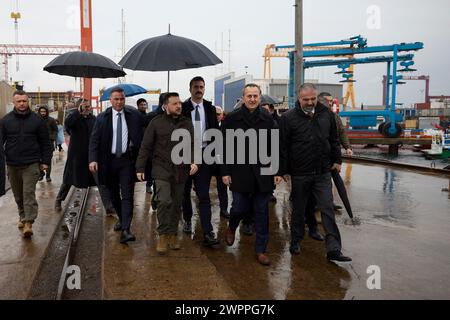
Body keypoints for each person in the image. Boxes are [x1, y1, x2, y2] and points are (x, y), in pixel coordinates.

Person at [276, 83, 352, 262]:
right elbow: (282, 147)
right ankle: (296, 240)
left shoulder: (327, 114)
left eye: (312, 99)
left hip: (322, 172)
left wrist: (337, 160)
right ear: (299, 99)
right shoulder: (288, 118)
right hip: (300, 172)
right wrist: (281, 171)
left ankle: (334, 249)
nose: (310, 102)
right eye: (306, 99)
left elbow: (333, 139)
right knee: (299, 209)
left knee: (327, 208)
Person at [222, 84, 278, 266]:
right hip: (239, 173)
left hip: (263, 174)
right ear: (243, 98)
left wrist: (277, 170)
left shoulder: (268, 119)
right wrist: (225, 172)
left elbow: (276, 147)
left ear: (260, 98)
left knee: (261, 212)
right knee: (239, 207)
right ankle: (232, 227)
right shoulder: (232, 119)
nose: (252, 99)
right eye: (249, 96)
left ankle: (261, 249)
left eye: (255, 96)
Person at [136, 92, 198, 254]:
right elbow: (146, 146)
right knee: (164, 201)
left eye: (179, 103)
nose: (179, 106)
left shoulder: (187, 123)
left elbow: (192, 144)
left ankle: (172, 234)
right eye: (174, 103)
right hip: (161, 168)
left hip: (181, 169)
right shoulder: (156, 123)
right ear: (165, 106)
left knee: (177, 204)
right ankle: (162, 235)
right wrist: (140, 167)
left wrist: (195, 161)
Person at [89, 87, 143, 244]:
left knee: (127, 195)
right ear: (110, 100)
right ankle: (122, 218)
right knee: (113, 195)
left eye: (122, 99)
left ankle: (126, 229)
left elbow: (148, 119)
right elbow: (94, 140)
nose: (119, 102)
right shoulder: (102, 118)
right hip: (108, 162)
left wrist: (163, 106)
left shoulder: (133, 115)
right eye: (116, 99)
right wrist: (93, 159)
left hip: (127, 161)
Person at [1, 90, 53, 238]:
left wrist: (45, 162)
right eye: (19, 101)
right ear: (14, 102)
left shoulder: (37, 121)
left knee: (28, 193)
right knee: (18, 195)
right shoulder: (6, 121)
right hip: (12, 164)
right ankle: (22, 216)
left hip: (31, 164)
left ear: (27, 101)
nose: (22, 104)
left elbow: (45, 143)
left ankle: (28, 223)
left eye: (24, 101)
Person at [181, 76, 220, 247]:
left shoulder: (210, 108)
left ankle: (207, 231)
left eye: (201, 87)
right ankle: (188, 220)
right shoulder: (182, 108)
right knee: (184, 192)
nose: (199, 89)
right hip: (184, 155)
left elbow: (215, 132)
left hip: (204, 154)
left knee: (203, 195)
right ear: (190, 89)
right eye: (196, 86)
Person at [55, 98, 97, 210]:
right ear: (79, 107)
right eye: (85, 107)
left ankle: (109, 206)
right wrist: (79, 113)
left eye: (89, 107)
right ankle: (59, 199)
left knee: (100, 180)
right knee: (69, 179)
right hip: (76, 155)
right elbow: (68, 125)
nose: (88, 109)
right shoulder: (74, 118)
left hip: (91, 154)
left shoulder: (93, 119)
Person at [213, 106, 229, 219]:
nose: (216, 116)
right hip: (206, 161)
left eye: (218, 114)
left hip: (220, 161)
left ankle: (223, 209)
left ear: (222, 115)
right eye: (214, 114)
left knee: (222, 187)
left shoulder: (226, 127)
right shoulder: (206, 125)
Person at [37, 105, 58, 182]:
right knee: (38, 160)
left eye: (44, 111)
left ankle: (48, 176)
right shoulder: (36, 120)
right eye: (41, 111)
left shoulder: (51, 120)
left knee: (48, 160)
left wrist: (51, 138)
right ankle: (41, 173)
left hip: (49, 144)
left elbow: (55, 130)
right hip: (38, 144)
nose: (43, 113)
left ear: (47, 112)